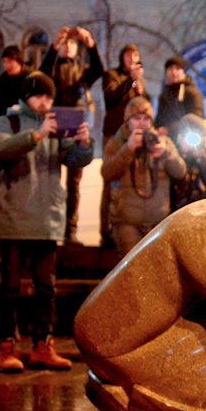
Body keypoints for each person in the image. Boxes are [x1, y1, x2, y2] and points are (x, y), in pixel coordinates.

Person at [0, 72, 93, 371]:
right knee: (9, 287)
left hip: (47, 218)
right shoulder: (7, 122)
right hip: (13, 216)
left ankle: (42, 345)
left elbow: (74, 159)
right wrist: (36, 135)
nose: (44, 102)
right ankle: (5, 346)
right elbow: (2, 149)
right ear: (26, 97)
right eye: (39, 96)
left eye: (49, 97)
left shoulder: (55, 126)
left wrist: (84, 144)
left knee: (45, 288)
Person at [40, 25, 105, 244]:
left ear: (77, 49)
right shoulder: (54, 67)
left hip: (76, 124)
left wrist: (91, 44)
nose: (68, 47)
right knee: (51, 177)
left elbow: (99, 70)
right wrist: (54, 46)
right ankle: (51, 225)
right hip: (54, 122)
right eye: (65, 44)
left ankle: (71, 229)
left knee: (74, 182)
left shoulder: (82, 70)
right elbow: (41, 73)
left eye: (72, 44)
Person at [102, 96, 187, 255]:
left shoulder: (162, 141)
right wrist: (128, 149)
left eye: (146, 118)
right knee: (132, 271)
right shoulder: (116, 142)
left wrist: (165, 153)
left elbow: (180, 172)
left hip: (158, 222)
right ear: (128, 120)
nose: (141, 122)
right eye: (136, 118)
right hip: (127, 222)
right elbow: (107, 173)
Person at [99, 43, 148, 247]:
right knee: (111, 181)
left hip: (135, 136)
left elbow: (144, 104)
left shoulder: (139, 82)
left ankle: (129, 226)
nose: (132, 59)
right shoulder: (112, 75)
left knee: (132, 181)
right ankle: (105, 229)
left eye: (135, 55)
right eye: (128, 55)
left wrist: (140, 87)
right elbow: (111, 96)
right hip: (114, 134)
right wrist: (130, 80)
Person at [170, 112, 206, 211]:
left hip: (204, 209)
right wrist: (183, 155)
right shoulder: (173, 155)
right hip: (177, 211)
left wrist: (201, 158)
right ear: (180, 137)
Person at [154, 55, 205, 136]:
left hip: (186, 138)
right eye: (170, 69)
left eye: (177, 69)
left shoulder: (192, 92)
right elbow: (159, 119)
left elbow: (196, 117)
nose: (174, 72)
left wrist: (169, 129)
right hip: (165, 139)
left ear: (183, 72)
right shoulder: (164, 95)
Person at [0, 45, 28, 121]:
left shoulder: (31, 80)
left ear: (19, 61)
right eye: (4, 61)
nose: (7, 65)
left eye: (10, 61)